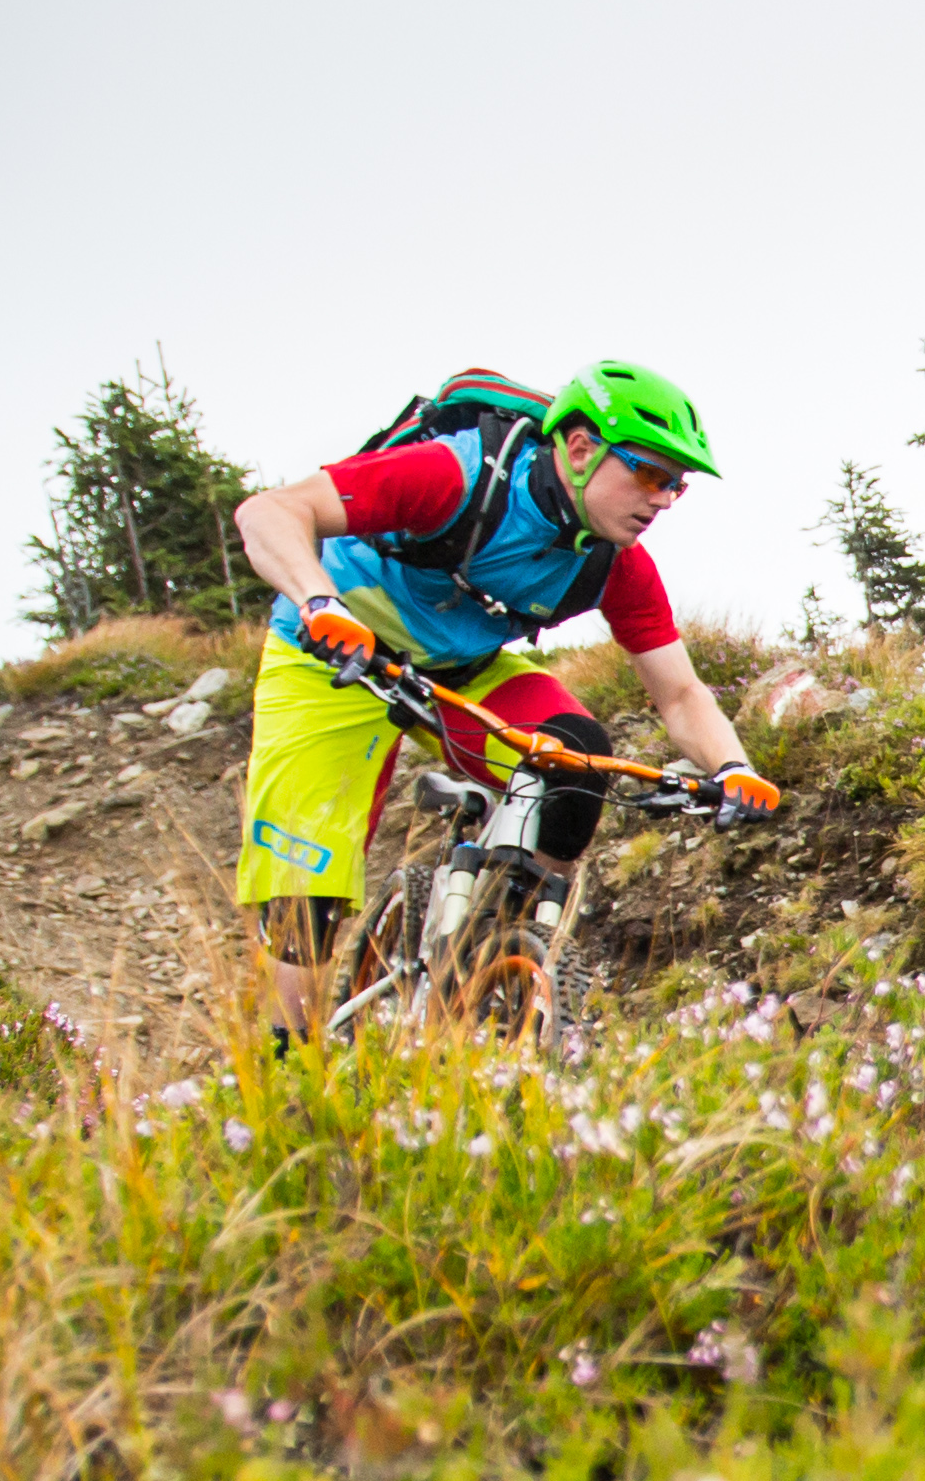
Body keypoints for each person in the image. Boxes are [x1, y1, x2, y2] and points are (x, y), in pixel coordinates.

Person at [228, 360, 765, 1039]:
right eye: (650, 474)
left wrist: (733, 768)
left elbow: (682, 692)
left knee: (577, 763)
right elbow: (271, 510)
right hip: (329, 654)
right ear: (578, 447)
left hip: (460, 668)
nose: (661, 499)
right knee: (309, 895)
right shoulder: (457, 476)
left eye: (676, 487)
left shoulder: (612, 560)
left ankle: (501, 956)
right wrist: (318, 602)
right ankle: (285, 1077)